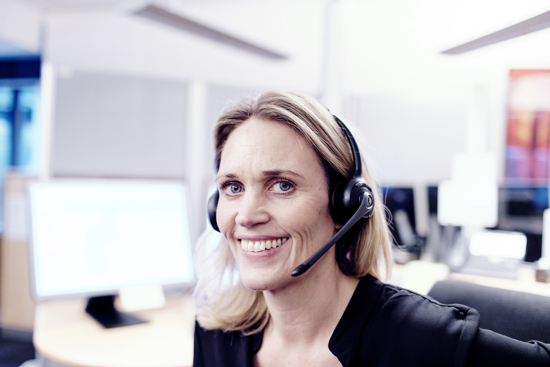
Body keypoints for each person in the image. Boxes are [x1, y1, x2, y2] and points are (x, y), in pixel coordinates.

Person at [193, 91, 550, 366]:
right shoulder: (216, 332)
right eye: (233, 188)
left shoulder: (419, 341)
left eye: (282, 185)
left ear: (345, 204)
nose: (246, 215)